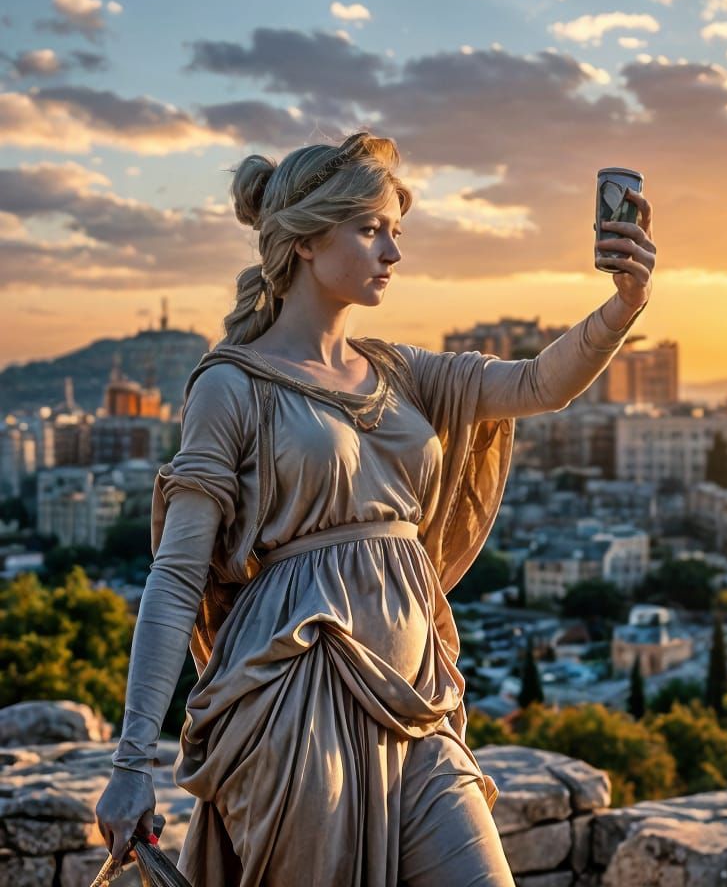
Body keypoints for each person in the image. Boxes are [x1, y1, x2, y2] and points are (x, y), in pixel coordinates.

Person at [94, 131, 656, 887]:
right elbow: (174, 579)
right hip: (294, 703)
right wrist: (133, 763)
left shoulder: (401, 371)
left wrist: (625, 304)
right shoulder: (230, 386)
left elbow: (536, 385)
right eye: (371, 230)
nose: (393, 252)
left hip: (418, 694)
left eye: (396, 231)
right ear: (303, 240)